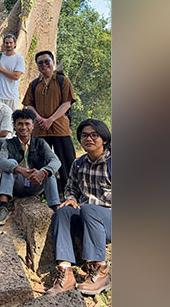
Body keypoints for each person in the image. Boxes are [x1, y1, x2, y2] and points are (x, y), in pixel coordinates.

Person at [47, 119, 112, 297]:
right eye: (84, 136)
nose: (89, 139)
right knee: (62, 211)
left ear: (104, 139)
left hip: (110, 221)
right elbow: (71, 188)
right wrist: (70, 199)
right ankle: (65, 272)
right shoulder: (78, 163)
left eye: (94, 135)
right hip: (87, 219)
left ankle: (100, 270)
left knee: (89, 209)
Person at [0, 109, 61, 226]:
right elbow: (0, 161)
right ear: (14, 126)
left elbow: (56, 161)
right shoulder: (8, 143)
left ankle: (55, 209)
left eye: (27, 124)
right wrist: (20, 170)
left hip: (36, 182)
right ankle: (3, 207)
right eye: (20, 124)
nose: (24, 127)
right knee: (10, 163)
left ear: (33, 126)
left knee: (49, 170)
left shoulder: (41, 143)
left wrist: (42, 173)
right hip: (17, 184)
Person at [22, 51, 77, 189]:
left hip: (60, 128)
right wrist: (39, 118)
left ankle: (69, 191)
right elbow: (29, 104)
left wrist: (51, 119)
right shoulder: (34, 84)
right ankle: (40, 191)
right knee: (39, 161)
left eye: (47, 61)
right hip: (40, 129)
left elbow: (67, 103)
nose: (44, 65)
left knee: (66, 161)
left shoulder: (62, 81)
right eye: (40, 63)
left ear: (53, 62)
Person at [0, 34, 25, 110]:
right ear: (3, 44)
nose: (8, 45)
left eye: (10, 43)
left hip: (12, 97)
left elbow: (16, 76)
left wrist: (1, 69)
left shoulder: (19, 59)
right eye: (6, 43)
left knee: (13, 117)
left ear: (15, 44)